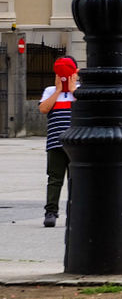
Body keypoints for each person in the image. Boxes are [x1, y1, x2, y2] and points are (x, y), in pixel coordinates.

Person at [38, 56, 78, 227]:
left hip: (77, 145)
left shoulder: (81, 90)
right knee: (55, 179)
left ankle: (75, 212)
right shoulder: (49, 90)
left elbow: (86, 106)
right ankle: (51, 212)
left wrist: (72, 88)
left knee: (75, 180)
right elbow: (43, 109)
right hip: (55, 143)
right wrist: (58, 91)